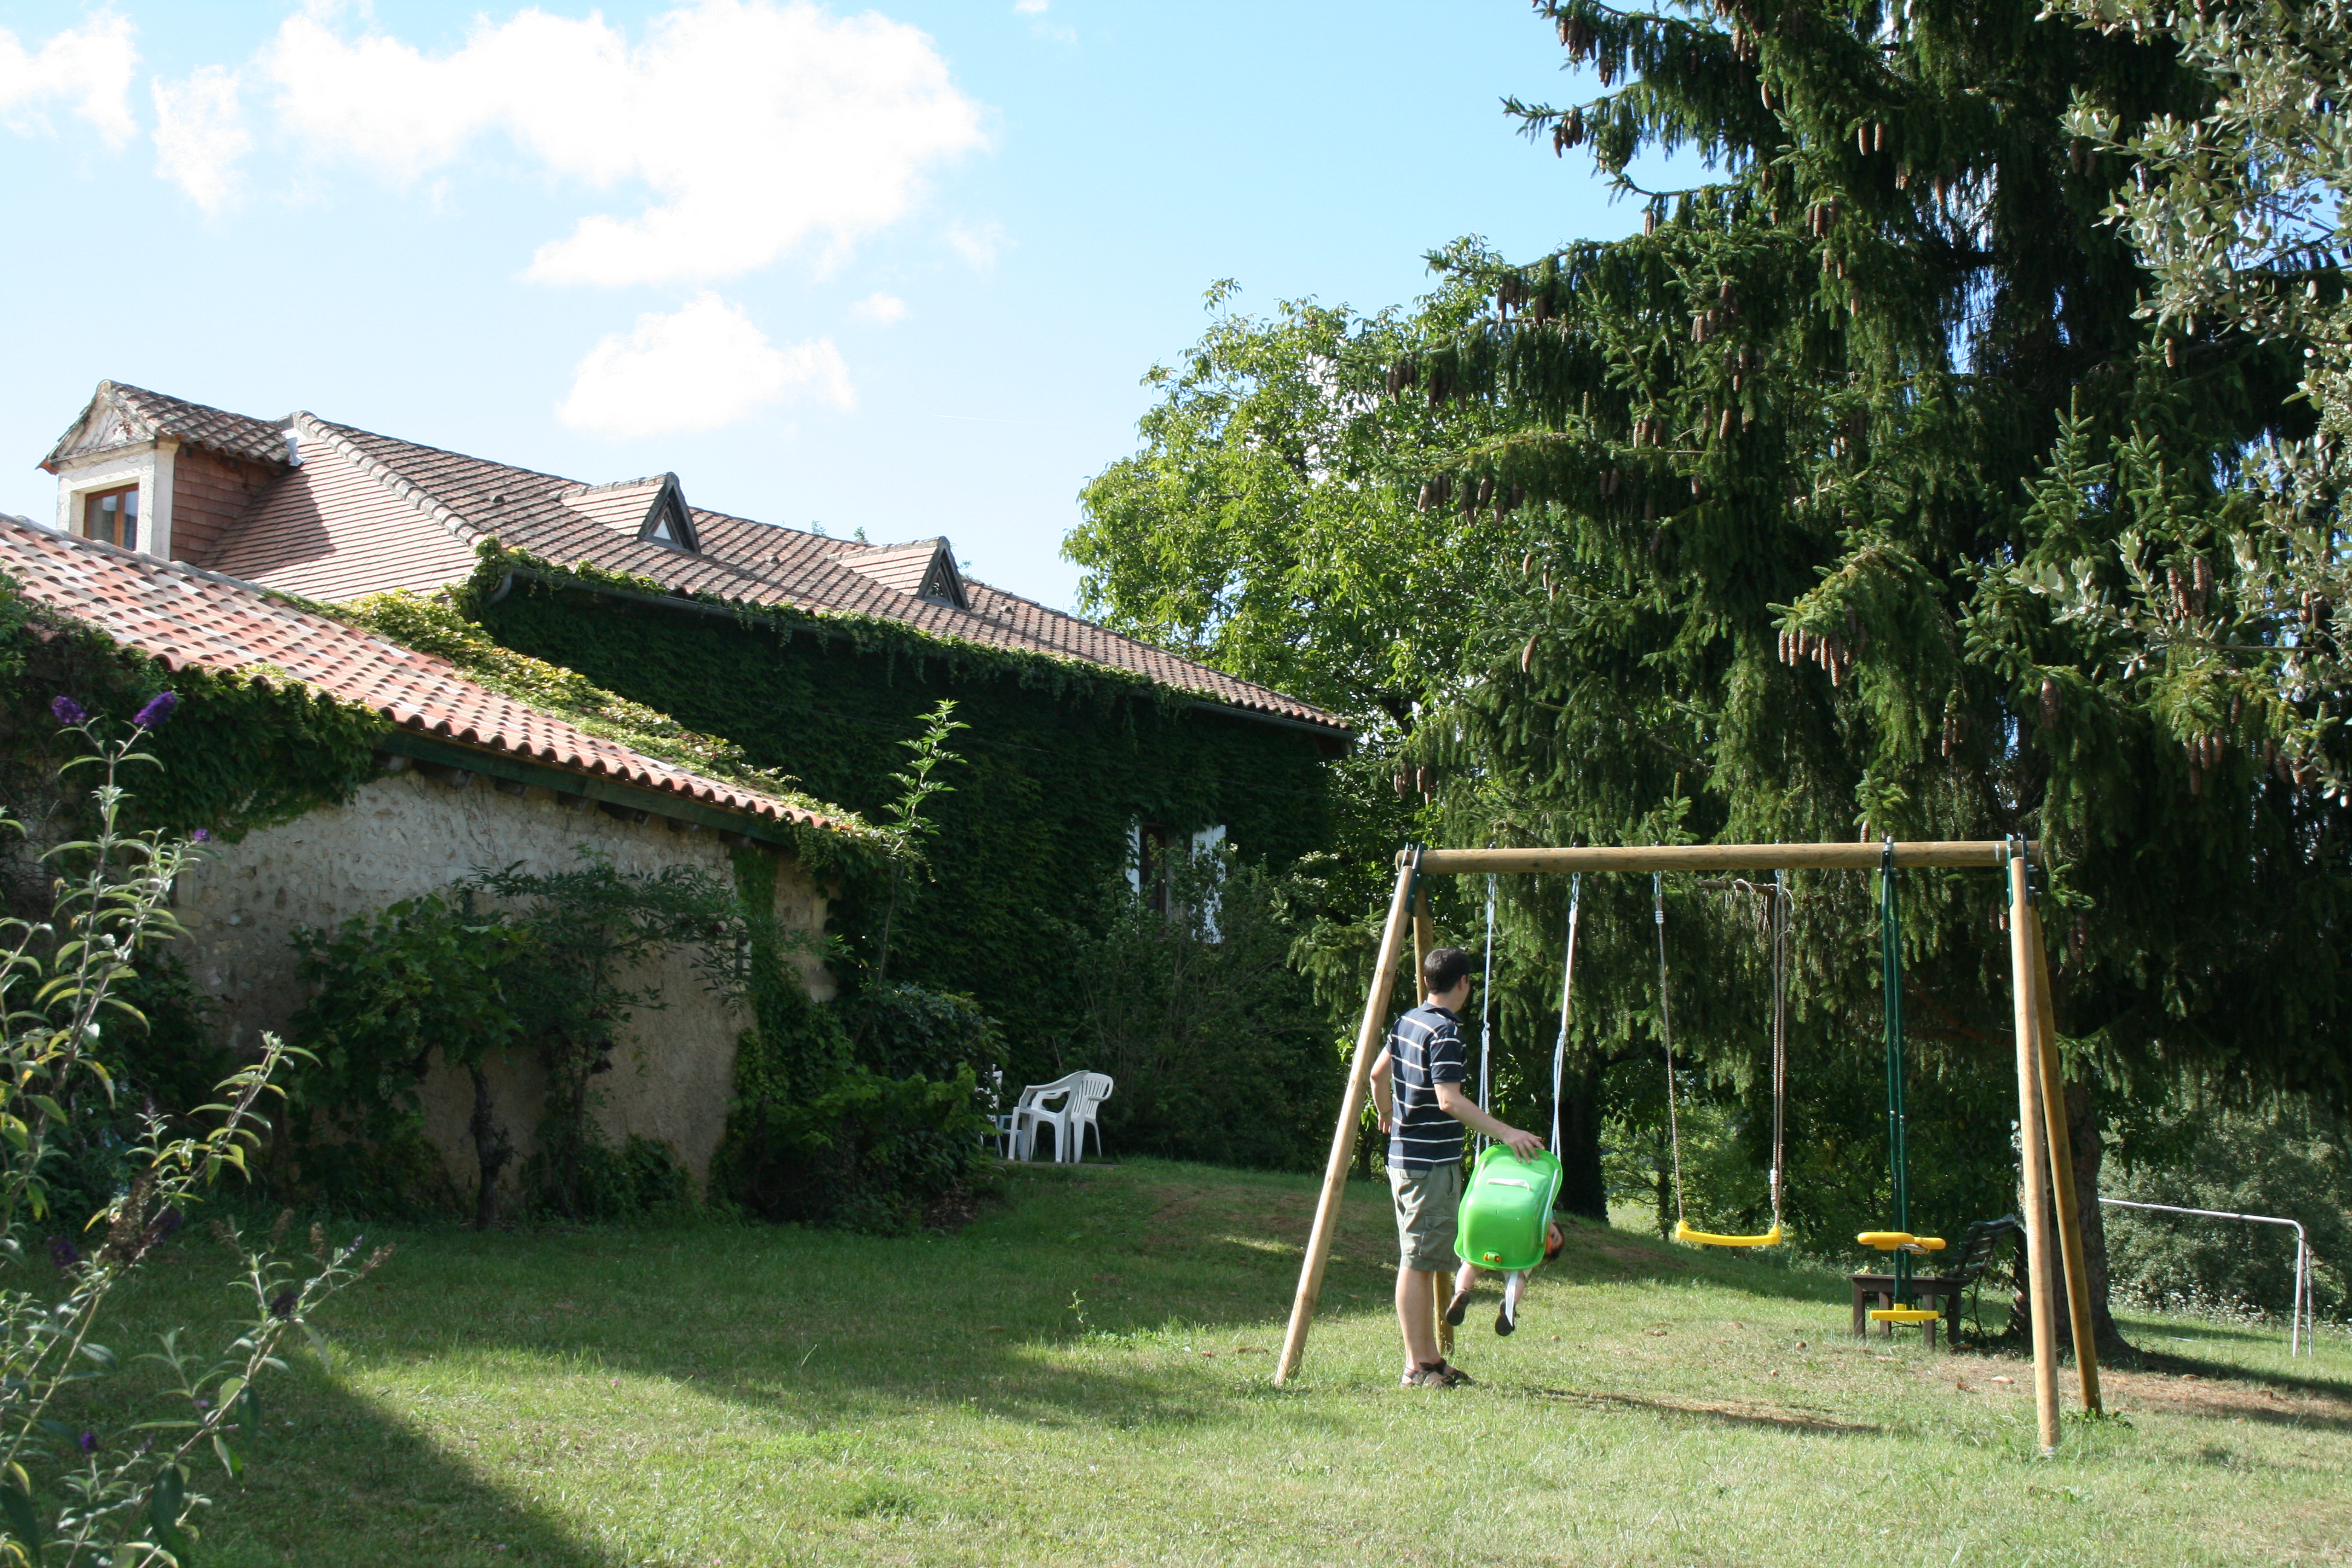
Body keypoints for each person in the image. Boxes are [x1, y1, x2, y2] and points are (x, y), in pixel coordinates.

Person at [1371, 946, 1546, 1388]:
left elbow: (1377, 1075)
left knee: (1425, 1256)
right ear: (1464, 983)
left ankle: (1429, 1360)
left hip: (1405, 1158)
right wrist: (1507, 1133)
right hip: (1429, 1163)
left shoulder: (1407, 1020)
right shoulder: (1445, 1033)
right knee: (1417, 1260)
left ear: (1430, 981)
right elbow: (1449, 1100)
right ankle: (1418, 1367)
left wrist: (1386, 1112)